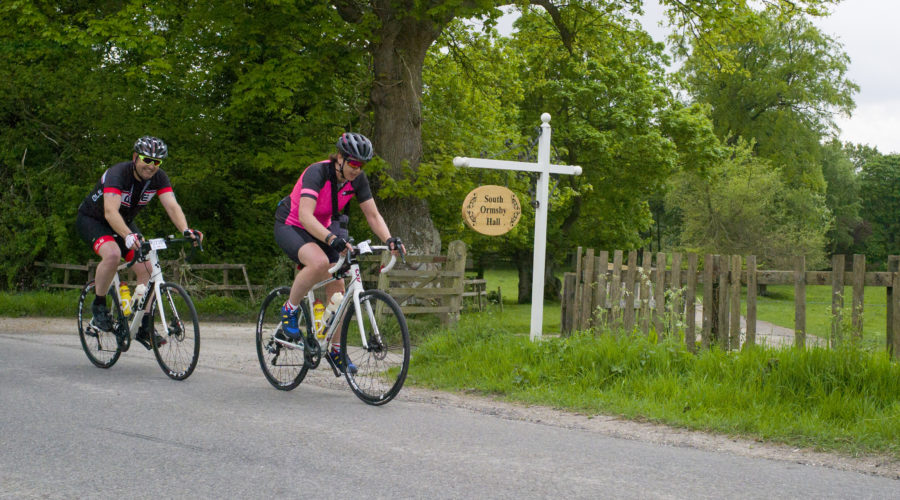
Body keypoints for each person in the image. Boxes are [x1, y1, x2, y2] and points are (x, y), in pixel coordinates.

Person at [274, 132, 405, 374]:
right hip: (292, 224)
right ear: (341, 158)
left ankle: (335, 349)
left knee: (339, 287)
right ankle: (290, 309)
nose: (357, 169)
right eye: (353, 163)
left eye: (362, 164)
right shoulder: (317, 173)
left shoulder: (357, 180)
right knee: (319, 262)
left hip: (322, 228)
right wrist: (331, 238)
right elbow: (305, 215)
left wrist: (389, 240)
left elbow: (373, 215)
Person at [76, 136, 203, 349]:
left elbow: (172, 206)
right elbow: (110, 212)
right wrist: (127, 235)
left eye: (157, 162)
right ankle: (99, 306)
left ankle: (143, 324)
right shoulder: (118, 174)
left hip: (123, 222)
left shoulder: (159, 178)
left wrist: (186, 230)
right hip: (94, 220)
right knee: (113, 254)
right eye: (147, 159)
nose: (151, 166)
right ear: (135, 157)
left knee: (147, 268)